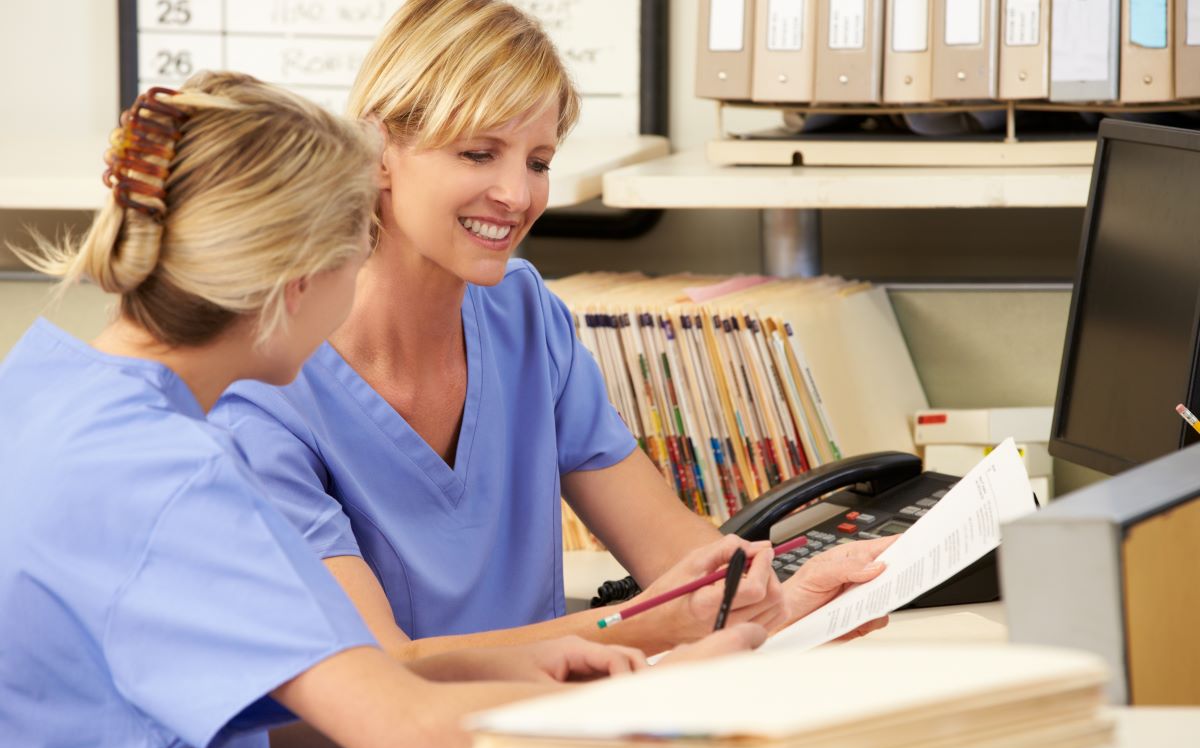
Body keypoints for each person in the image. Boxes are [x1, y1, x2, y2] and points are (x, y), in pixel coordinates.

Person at [0, 72, 764, 748]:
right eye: (359, 249)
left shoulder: (38, 390)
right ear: (299, 281)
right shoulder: (174, 480)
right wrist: (663, 692)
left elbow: (225, 731)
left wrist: (513, 672)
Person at [214, 0, 889, 658]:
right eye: (479, 153)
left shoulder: (525, 317)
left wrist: (792, 599)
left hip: (534, 740)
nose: (517, 195)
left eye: (537, 161)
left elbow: (677, 559)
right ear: (380, 147)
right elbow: (383, 670)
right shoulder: (266, 390)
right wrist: (640, 626)